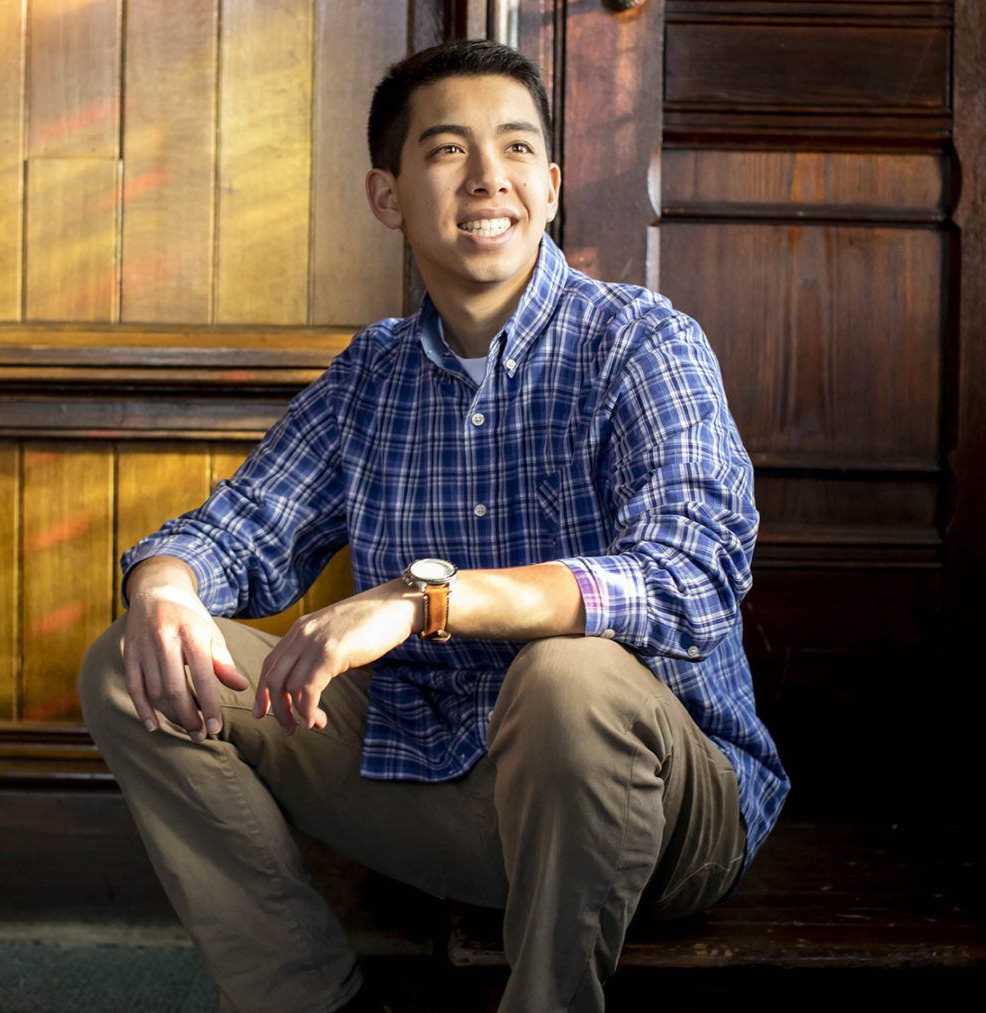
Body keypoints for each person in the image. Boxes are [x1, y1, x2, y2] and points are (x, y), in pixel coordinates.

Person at [78, 39, 788, 1013]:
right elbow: (234, 533)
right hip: (440, 781)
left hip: (660, 809)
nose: (488, 176)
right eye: (449, 150)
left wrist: (427, 603)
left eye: (516, 149)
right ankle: (307, 998)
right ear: (388, 195)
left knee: (564, 671)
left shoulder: (642, 342)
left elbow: (693, 578)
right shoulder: (370, 377)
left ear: (550, 185)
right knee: (133, 664)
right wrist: (163, 579)